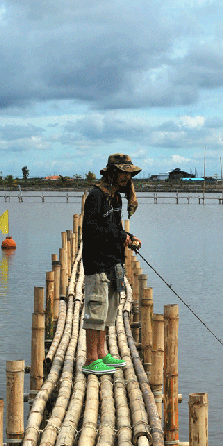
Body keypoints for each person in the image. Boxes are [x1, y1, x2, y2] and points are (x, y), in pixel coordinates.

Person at [82, 153, 142, 374]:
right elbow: (90, 229)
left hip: (113, 261)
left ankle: (102, 354)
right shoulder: (96, 196)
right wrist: (118, 237)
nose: (126, 178)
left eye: (129, 174)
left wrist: (129, 236)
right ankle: (90, 360)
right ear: (112, 173)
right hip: (96, 262)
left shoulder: (115, 198)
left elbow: (115, 229)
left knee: (108, 311)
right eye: (123, 173)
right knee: (95, 311)